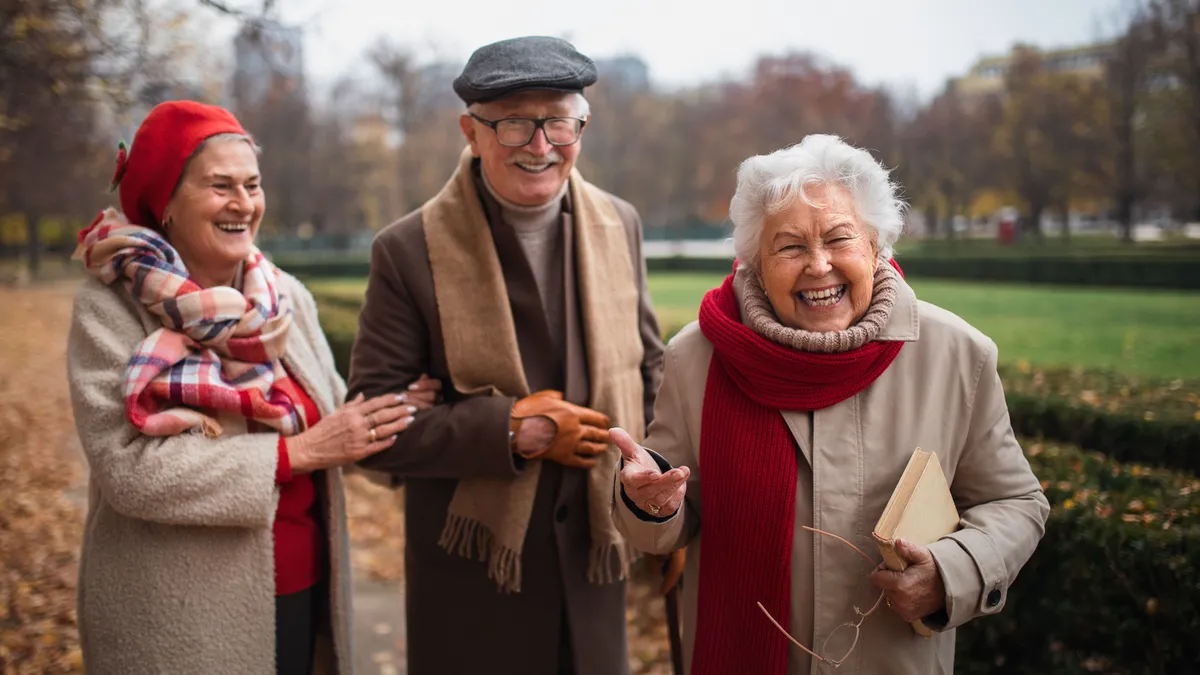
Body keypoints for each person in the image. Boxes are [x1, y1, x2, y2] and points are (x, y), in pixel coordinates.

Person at [611, 134, 1050, 674]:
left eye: (840, 239)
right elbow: (672, 519)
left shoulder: (959, 354)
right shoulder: (697, 355)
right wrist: (651, 503)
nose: (819, 266)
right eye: (789, 246)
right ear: (753, 262)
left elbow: (1017, 503)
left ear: (875, 246)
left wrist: (950, 572)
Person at [66, 100, 438, 674]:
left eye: (252, 185)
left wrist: (393, 410)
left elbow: (330, 417)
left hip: (303, 591)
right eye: (220, 187)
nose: (244, 204)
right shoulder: (109, 309)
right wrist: (298, 453)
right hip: (179, 618)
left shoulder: (285, 297)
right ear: (165, 201)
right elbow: (130, 472)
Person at [346, 36, 665, 675]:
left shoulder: (621, 223)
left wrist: (669, 492)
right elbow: (373, 431)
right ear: (472, 130)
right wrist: (518, 430)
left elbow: (651, 375)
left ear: (583, 125)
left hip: (594, 567)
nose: (540, 145)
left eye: (558, 122)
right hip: (471, 589)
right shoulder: (407, 250)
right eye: (515, 123)